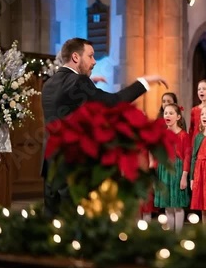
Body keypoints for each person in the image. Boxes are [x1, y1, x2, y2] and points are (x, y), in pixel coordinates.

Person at [42, 37, 167, 218]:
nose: (94, 62)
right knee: (77, 226)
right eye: (91, 56)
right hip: (74, 167)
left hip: (50, 165)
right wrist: (144, 82)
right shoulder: (79, 83)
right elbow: (114, 102)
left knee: (52, 225)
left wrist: (89, 86)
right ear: (76, 57)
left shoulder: (49, 84)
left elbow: (67, 103)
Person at [154, 103, 191, 232]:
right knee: (167, 204)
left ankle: (178, 234)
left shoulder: (184, 136)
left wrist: (184, 176)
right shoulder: (162, 134)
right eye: (165, 113)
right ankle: (170, 233)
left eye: (171, 113)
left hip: (177, 169)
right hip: (164, 169)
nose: (167, 116)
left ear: (178, 117)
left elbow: (187, 157)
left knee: (178, 204)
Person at [189, 79, 206, 144]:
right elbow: (191, 130)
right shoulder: (194, 110)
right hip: (196, 143)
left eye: (204, 89)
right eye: (199, 89)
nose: (201, 91)